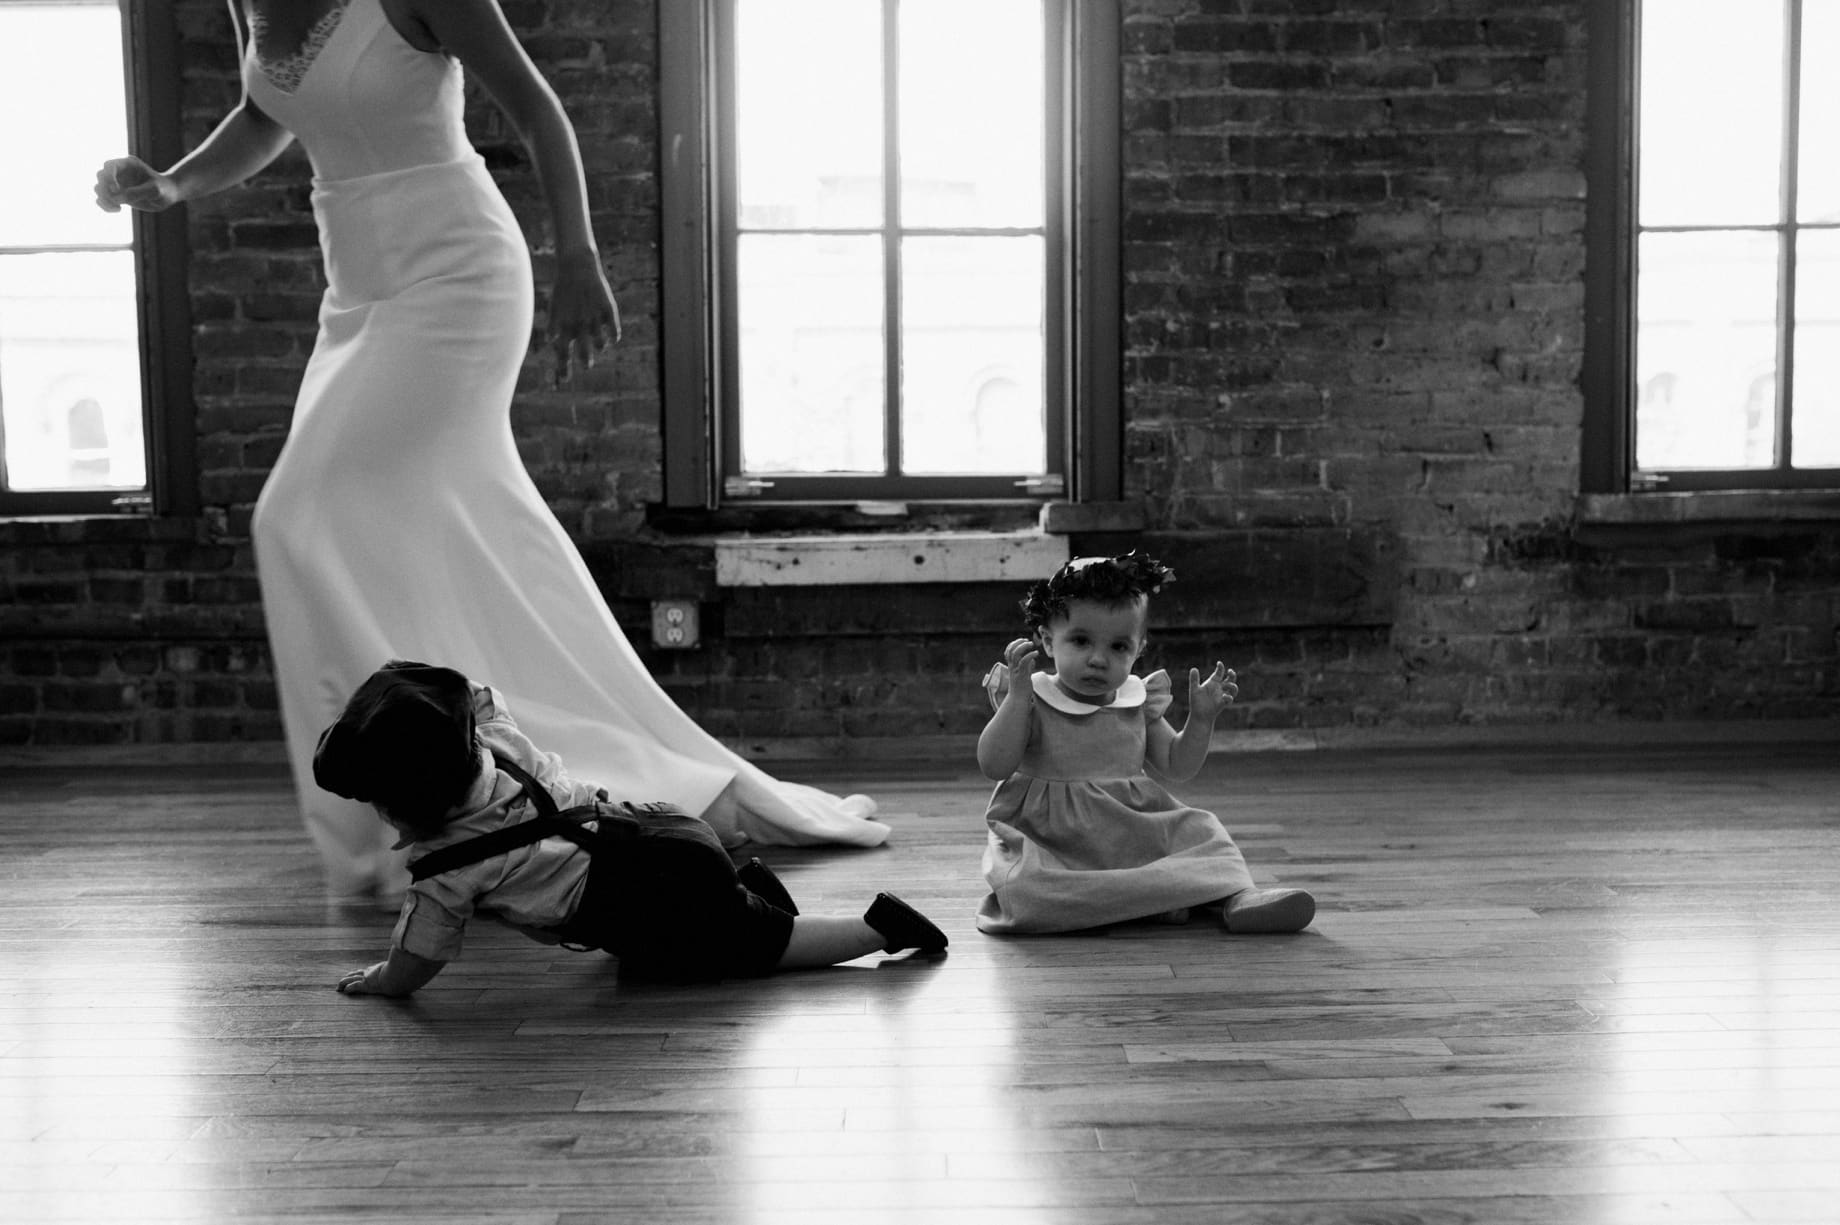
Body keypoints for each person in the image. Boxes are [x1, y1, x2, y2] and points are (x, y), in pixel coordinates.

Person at [94, 0, 889, 903]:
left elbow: (537, 107)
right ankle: (466, 789)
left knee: (294, 517)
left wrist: (579, 259)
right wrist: (174, 184)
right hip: (356, 295)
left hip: (457, 275)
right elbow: (268, 113)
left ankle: (408, 806)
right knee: (431, 531)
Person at [317, 661, 947, 996]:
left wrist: (382, 981)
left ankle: (877, 928)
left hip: (650, 889)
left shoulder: (444, 870)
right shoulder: (499, 744)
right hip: (656, 828)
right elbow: (475, 694)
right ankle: (745, 893)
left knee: (760, 951)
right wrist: (419, 704)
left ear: (405, 806)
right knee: (657, 960)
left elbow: (416, 958)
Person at [974, 552, 1315, 935]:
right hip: (1051, 840)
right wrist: (1017, 699)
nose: (1098, 660)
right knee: (1027, 891)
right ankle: (1157, 898)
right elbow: (994, 765)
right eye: (1081, 641)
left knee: (1204, 832)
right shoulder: (1030, 697)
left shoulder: (1136, 700)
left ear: (1139, 649)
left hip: (1131, 832)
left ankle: (1235, 897)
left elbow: (1176, 766)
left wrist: (1201, 720)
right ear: (1048, 642)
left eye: (1118, 647)